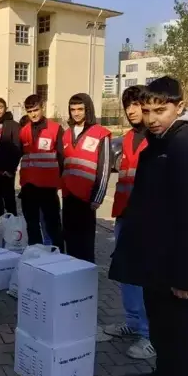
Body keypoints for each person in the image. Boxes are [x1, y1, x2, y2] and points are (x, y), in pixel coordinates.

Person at [109, 76, 188, 376]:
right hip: (155, 261)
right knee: (160, 329)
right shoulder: (160, 140)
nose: (153, 118)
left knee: (177, 336)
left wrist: (187, 277)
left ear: (179, 106)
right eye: (147, 109)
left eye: (161, 110)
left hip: (177, 269)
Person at [103, 85, 155, 360]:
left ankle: (150, 335)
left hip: (147, 221)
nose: (132, 110)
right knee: (126, 275)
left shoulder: (157, 138)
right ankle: (133, 323)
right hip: (125, 215)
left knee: (147, 278)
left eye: (137, 104)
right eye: (128, 106)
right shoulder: (126, 139)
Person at [61, 93, 111, 263]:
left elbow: (104, 168)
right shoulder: (66, 134)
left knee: (85, 243)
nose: (76, 113)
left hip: (87, 198)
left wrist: (98, 197)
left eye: (80, 109)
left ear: (87, 109)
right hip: (68, 196)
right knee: (69, 238)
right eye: (72, 109)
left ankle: (86, 278)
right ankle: (71, 274)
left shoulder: (100, 134)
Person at [18, 94, 64, 249]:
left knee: (53, 225)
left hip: (47, 188)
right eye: (30, 111)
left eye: (36, 110)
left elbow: (62, 158)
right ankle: (36, 257)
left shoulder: (55, 129)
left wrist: (61, 183)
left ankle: (58, 256)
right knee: (32, 225)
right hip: (29, 187)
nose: (33, 114)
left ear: (42, 108)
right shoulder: (23, 131)